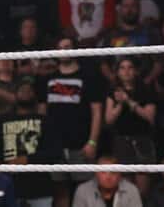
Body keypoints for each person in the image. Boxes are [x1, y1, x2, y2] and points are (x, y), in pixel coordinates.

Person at [39, 36, 103, 207]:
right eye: (60, 48)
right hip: (55, 145)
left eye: (67, 46)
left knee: (86, 190)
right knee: (60, 192)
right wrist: (45, 141)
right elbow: (42, 113)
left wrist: (92, 141)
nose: (64, 51)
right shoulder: (48, 78)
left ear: (74, 49)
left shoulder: (88, 76)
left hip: (81, 143)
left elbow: (97, 112)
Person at [0, 79, 62, 207]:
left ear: (35, 95)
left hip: (39, 188)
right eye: (22, 90)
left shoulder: (46, 122)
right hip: (7, 187)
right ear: (15, 95)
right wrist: (6, 165)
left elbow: (55, 153)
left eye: (29, 90)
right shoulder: (0, 121)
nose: (25, 92)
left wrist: (27, 160)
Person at [72, 156, 142, 207]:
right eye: (103, 172)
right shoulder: (83, 190)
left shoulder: (131, 190)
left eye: (113, 172)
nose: (108, 177)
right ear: (96, 174)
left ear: (120, 175)